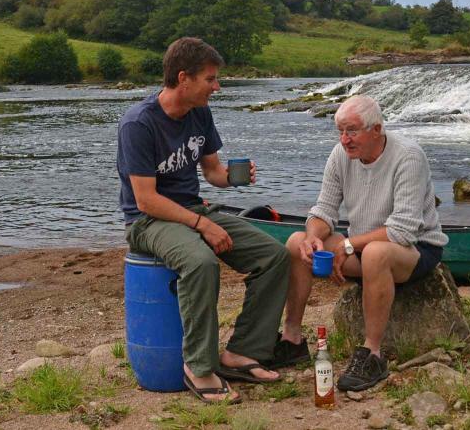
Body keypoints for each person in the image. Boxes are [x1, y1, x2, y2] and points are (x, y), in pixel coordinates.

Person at [117, 37, 289, 404]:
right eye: (210, 79)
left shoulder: (200, 114)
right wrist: (203, 226)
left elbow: (212, 172)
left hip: (194, 209)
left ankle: (242, 352)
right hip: (147, 221)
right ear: (184, 78)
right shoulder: (139, 124)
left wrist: (233, 178)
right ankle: (199, 366)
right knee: (200, 262)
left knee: (274, 256)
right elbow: (146, 200)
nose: (217, 86)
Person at [274, 95, 449, 391]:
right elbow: (324, 210)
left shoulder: (408, 156)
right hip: (362, 248)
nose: (345, 139)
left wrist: (347, 245)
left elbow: (403, 231)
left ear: (377, 129)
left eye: (352, 131)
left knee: (376, 253)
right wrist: (313, 236)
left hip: (415, 250)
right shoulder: (340, 155)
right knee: (296, 242)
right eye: (340, 131)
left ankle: (372, 354)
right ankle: (292, 340)